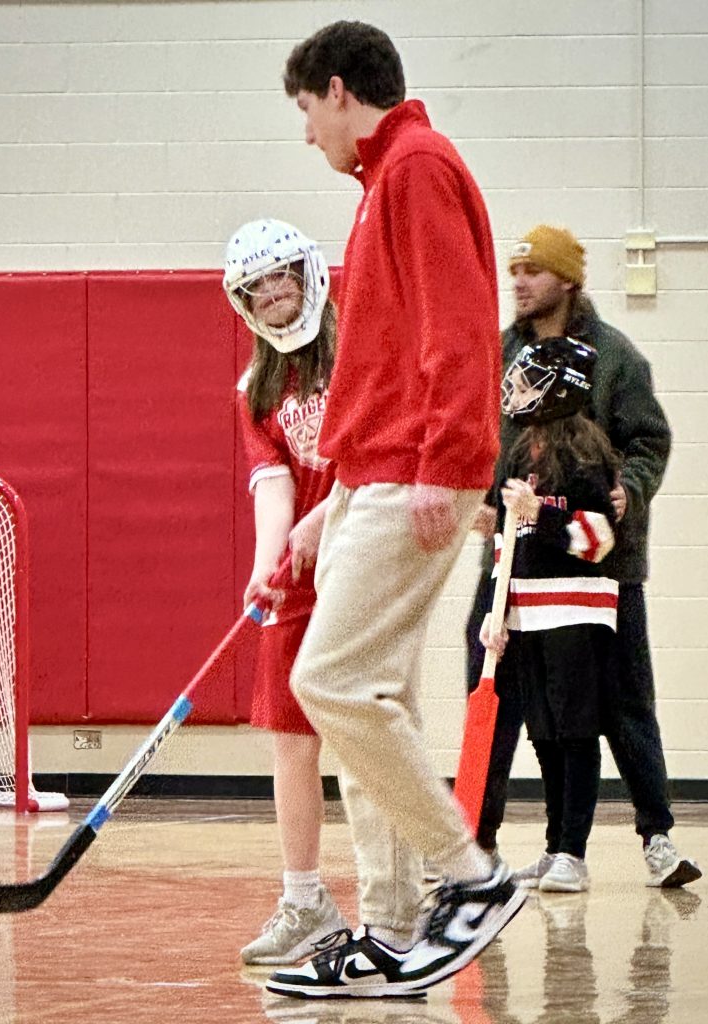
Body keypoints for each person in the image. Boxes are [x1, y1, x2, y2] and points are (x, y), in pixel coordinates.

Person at [266, 21, 526, 1001]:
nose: (305, 135)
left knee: (327, 678)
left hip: (414, 470)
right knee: (371, 697)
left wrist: (442, 460)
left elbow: (459, 325)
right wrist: (321, 509)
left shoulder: (414, 167)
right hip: (370, 474)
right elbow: (381, 364)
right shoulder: (384, 182)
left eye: (303, 110)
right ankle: (390, 926)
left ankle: (470, 877)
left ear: (338, 89)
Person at [465, 224, 701, 888]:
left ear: (566, 279)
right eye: (512, 270)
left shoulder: (614, 358)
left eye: (532, 271)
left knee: (621, 702)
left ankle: (655, 836)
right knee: (500, 697)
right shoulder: (501, 353)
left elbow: (648, 439)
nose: (517, 282)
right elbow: (486, 444)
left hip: (601, 568)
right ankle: (476, 844)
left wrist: (630, 487)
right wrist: (481, 506)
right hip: (516, 567)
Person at [223, 217, 348, 964]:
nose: (271, 293)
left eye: (280, 276)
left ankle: (410, 890)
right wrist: (267, 561)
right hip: (300, 570)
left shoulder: (358, 347)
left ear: (306, 274)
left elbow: (374, 458)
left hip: (364, 548)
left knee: (368, 730)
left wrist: (320, 523)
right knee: (289, 739)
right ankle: (304, 900)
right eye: (254, 286)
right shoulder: (254, 387)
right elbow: (272, 485)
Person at [483, 336, 621, 893]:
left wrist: (537, 514)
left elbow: (598, 540)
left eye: (527, 380)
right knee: (541, 733)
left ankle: (575, 852)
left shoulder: (589, 458)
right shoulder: (517, 453)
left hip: (576, 613)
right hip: (527, 616)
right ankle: (553, 846)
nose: (515, 390)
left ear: (559, 390)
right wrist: (498, 613)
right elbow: (505, 539)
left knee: (575, 732)